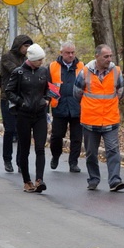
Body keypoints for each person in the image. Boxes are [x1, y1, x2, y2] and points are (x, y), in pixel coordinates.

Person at [74, 44, 124, 192]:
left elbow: (121, 92)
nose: (109, 59)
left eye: (110, 56)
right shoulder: (84, 72)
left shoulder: (116, 71)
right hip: (90, 121)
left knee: (113, 151)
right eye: (106, 56)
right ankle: (93, 179)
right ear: (97, 56)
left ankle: (115, 180)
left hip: (110, 119)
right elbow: (76, 93)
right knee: (91, 153)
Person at [5, 43, 52, 193]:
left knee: (40, 147)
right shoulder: (18, 73)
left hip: (40, 114)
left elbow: (50, 89)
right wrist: (21, 102)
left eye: (42, 59)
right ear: (31, 59)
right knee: (24, 149)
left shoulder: (44, 71)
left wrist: (47, 100)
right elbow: (9, 91)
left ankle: (39, 180)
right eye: (39, 60)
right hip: (23, 115)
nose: (42, 62)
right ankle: (27, 181)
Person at [0, 34, 33, 172]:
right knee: (10, 130)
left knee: (22, 132)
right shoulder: (7, 57)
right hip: (7, 98)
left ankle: (20, 161)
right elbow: (16, 71)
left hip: (22, 98)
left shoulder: (27, 59)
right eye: (25, 46)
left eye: (29, 46)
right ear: (18, 45)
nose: (27, 48)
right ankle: (7, 159)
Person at [48, 42, 84, 173]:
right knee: (56, 136)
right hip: (59, 106)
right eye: (68, 53)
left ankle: (73, 162)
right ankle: (55, 155)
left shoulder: (81, 66)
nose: (71, 55)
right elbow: (48, 87)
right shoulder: (52, 67)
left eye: (73, 52)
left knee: (77, 138)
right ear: (61, 53)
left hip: (77, 107)